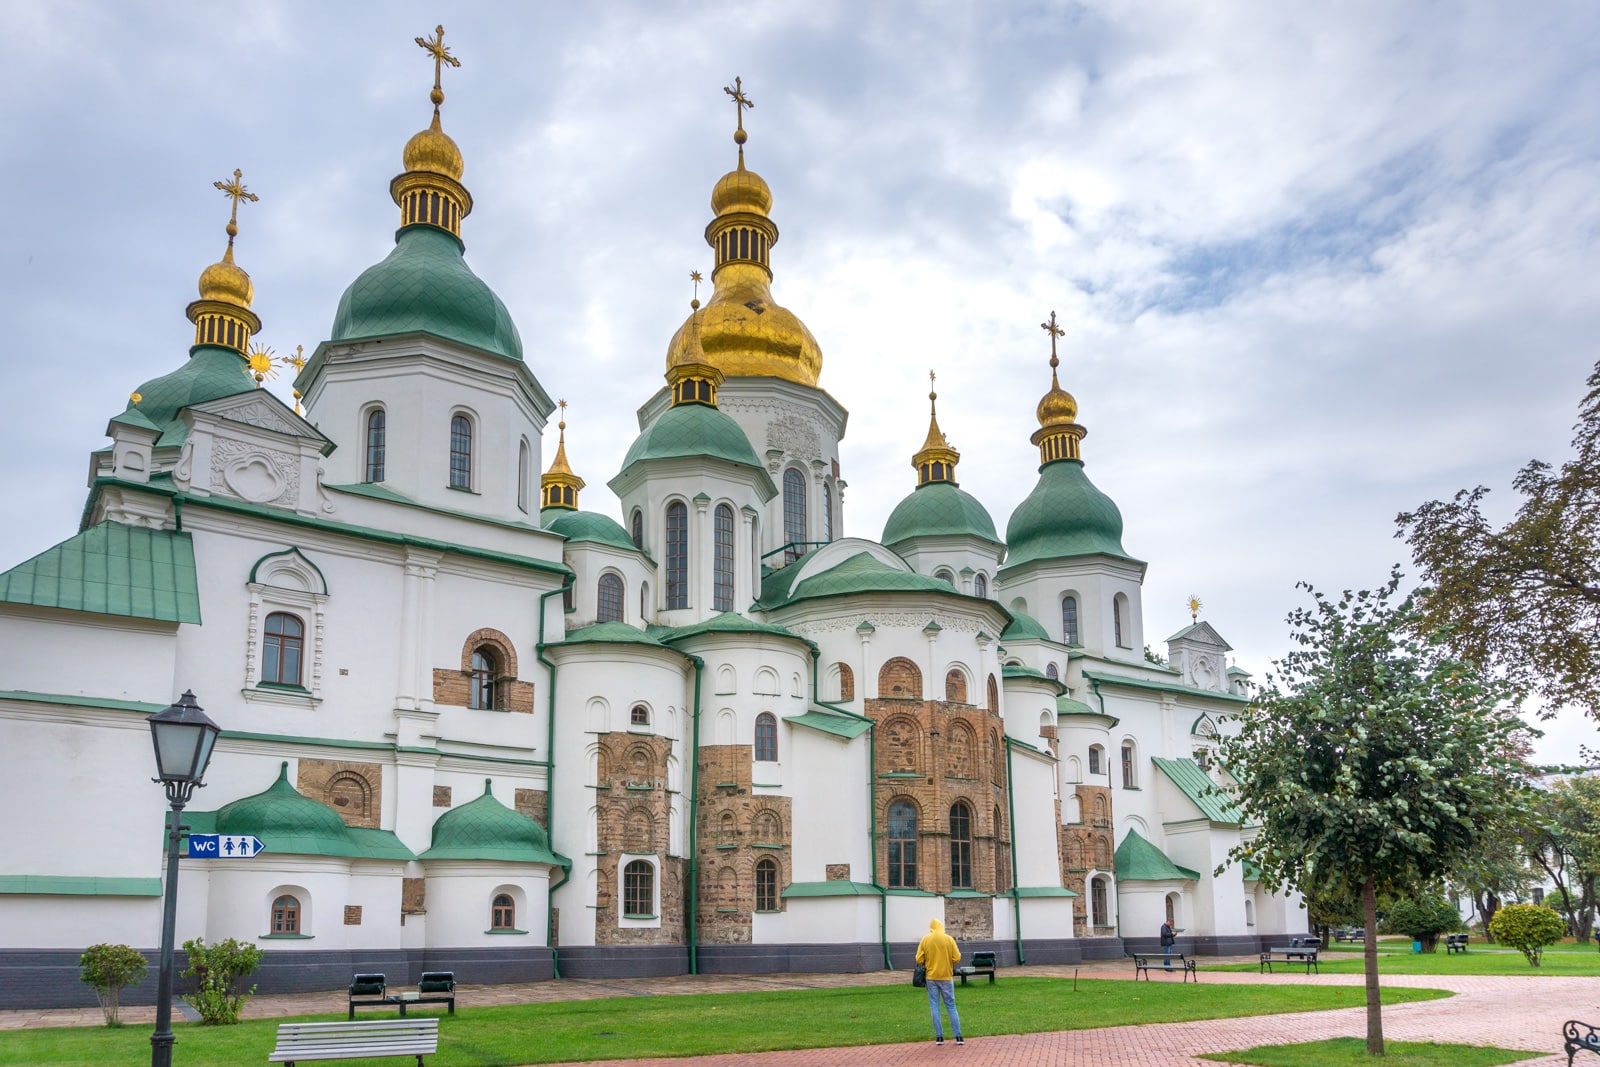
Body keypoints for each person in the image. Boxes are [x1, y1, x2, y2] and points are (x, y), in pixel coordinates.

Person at [915, 918, 964, 1046]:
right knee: (951, 1006)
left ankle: (939, 1037)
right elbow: (957, 957)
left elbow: (919, 958)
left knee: (934, 1006)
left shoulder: (925, 939)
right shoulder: (949, 939)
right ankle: (958, 1036)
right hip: (947, 977)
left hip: (931, 977)